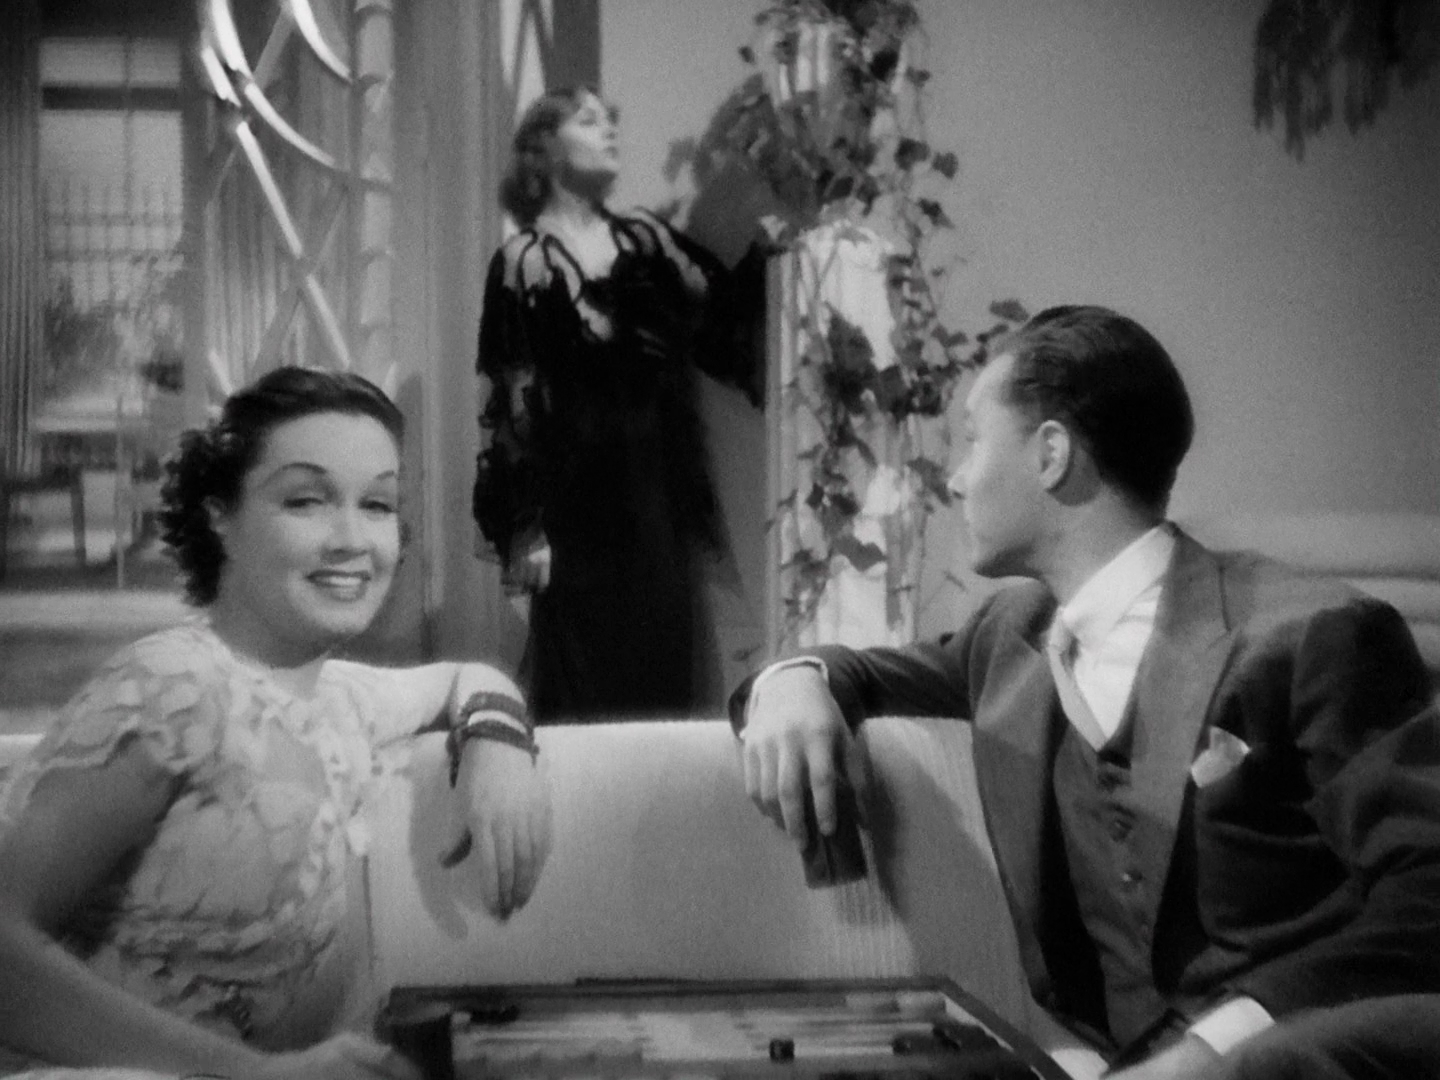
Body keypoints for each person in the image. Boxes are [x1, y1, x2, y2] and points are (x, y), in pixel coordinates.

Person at [731, 306, 1440, 1079]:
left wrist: (1218, 1048)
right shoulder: (1009, 636)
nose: (958, 478)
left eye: (973, 439)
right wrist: (792, 681)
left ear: (1050, 454)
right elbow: (863, 673)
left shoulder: (1316, 634)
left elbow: (1427, 893)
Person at [0, 366, 553, 1079]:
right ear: (219, 516)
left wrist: (499, 742)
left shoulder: (341, 701)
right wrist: (253, 1075)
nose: (352, 539)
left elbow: (464, 678)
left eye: (378, 505)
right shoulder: (173, 687)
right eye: (305, 501)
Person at [473, 86, 762, 723]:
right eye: (588, 119)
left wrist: (774, 235)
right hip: (576, 510)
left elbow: (721, 322)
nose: (609, 132)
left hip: (658, 499)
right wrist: (526, 524)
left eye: (612, 119)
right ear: (543, 149)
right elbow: (513, 399)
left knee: (665, 682)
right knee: (582, 690)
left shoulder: (645, 239)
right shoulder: (522, 261)